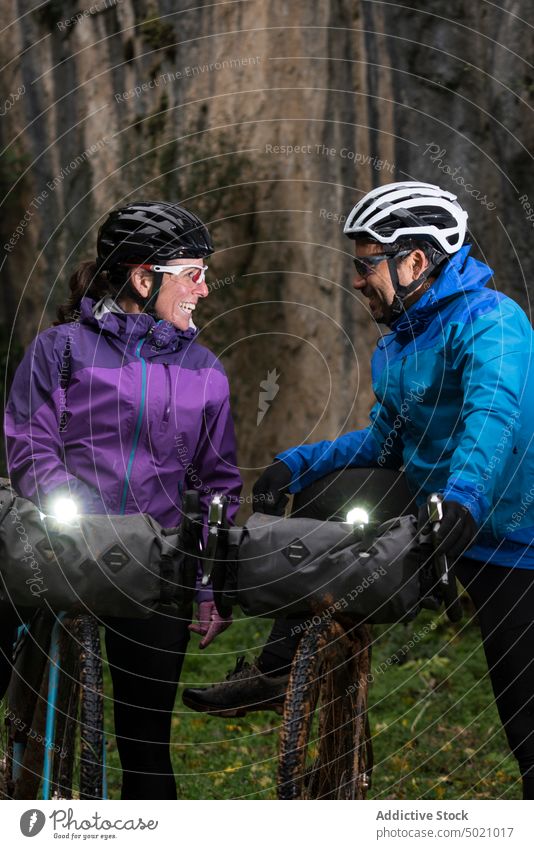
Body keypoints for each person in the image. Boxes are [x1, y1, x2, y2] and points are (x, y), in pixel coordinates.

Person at [183, 181, 534, 799]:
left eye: (365, 263)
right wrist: (297, 462)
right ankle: (277, 667)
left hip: (511, 536)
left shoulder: (494, 322)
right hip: (438, 513)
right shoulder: (399, 342)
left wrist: (464, 502)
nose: (356, 279)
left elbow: (493, 418)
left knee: (522, 718)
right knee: (325, 497)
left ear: (415, 262)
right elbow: (386, 443)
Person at [2, 201, 242, 799]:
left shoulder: (206, 371)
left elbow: (217, 485)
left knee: (146, 747)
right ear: (144, 277)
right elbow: (32, 443)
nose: (204, 289)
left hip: (156, 571)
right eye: (193, 273)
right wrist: (73, 512)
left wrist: (210, 585)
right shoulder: (61, 350)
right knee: (33, 714)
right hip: (62, 557)